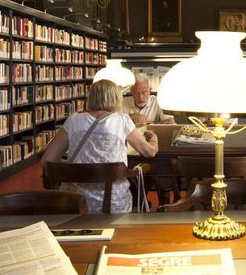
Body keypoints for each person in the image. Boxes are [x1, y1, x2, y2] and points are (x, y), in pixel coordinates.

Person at [40, 78, 158, 212]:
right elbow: (149, 152)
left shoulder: (73, 120)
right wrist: (154, 139)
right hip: (114, 203)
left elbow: (46, 161)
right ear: (116, 98)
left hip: (74, 201)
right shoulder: (122, 120)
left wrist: (77, 166)